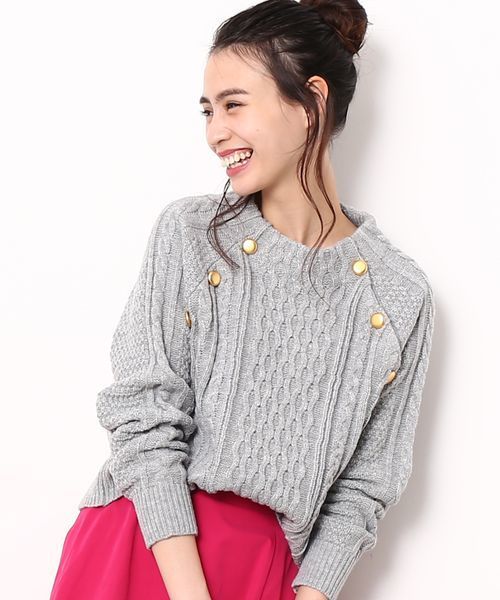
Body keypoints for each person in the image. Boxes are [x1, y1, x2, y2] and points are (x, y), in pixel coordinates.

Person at [50, 1, 436, 599]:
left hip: (266, 573)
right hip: (147, 543)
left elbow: (364, 489)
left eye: (233, 105)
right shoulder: (191, 234)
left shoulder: (398, 295)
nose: (215, 133)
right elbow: (144, 420)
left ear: (310, 103)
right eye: (208, 111)